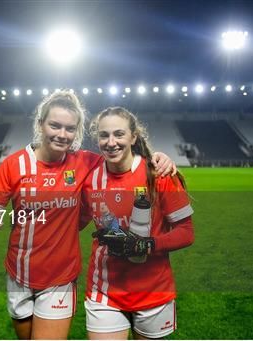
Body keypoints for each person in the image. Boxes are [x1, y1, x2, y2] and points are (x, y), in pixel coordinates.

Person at [0, 91, 176, 339]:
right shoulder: (14, 165)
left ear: (77, 131)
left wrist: (158, 157)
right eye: (55, 125)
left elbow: (123, 157)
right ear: (40, 124)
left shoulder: (85, 162)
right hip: (18, 274)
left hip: (60, 277)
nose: (62, 134)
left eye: (70, 128)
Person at [82, 107, 194, 340]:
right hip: (105, 291)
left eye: (119, 134)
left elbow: (186, 233)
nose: (111, 142)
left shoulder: (159, 174)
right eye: (104, 135)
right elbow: (71, 221)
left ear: (133, 137)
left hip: (154, 291)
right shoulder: (89, 178)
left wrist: (145, 245)